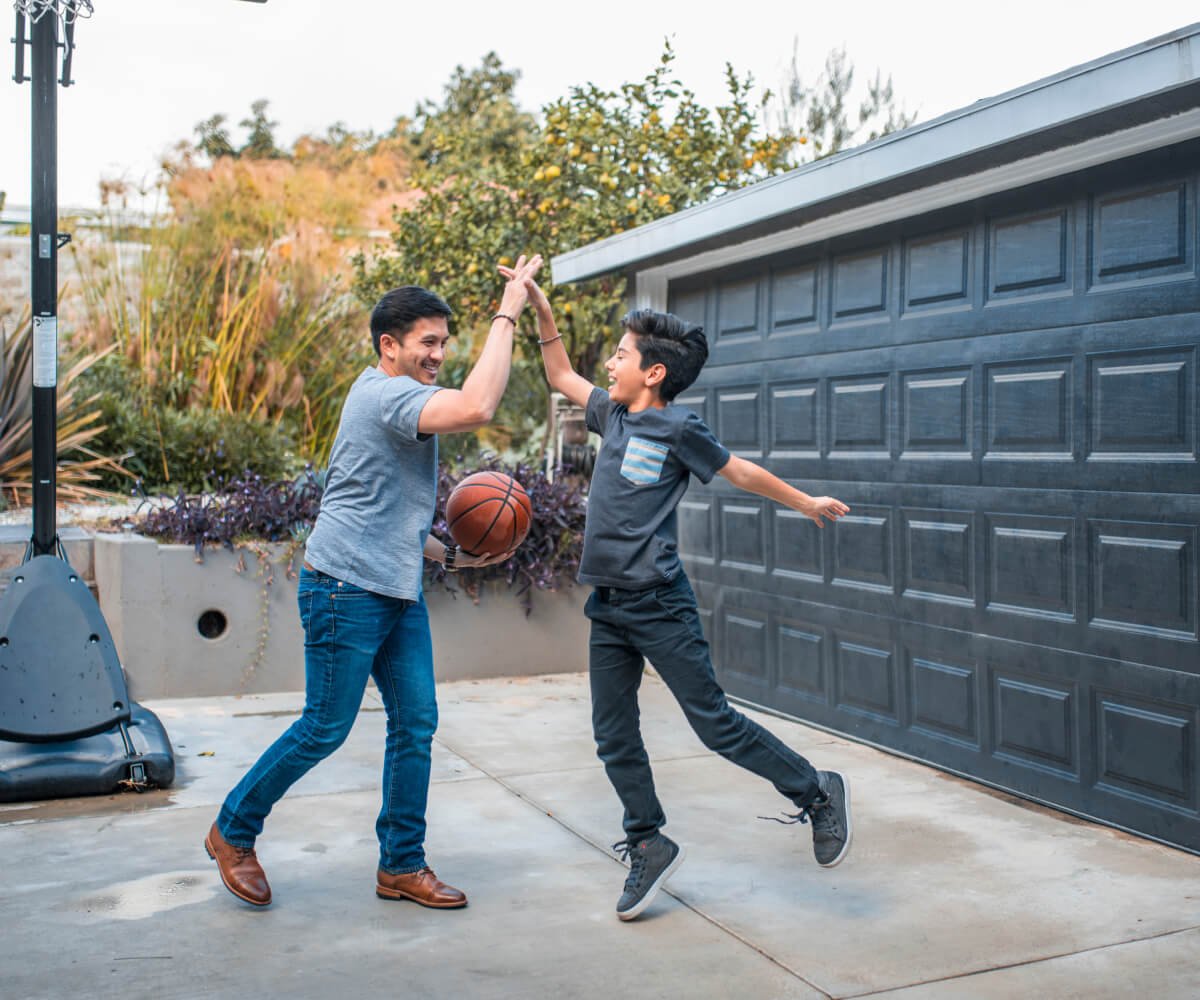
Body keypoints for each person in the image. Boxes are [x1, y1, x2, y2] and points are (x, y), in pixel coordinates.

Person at [205, 254, 544, 909]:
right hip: (344, 589)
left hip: (393, 590)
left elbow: (387, 509)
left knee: (415, 722)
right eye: (429, 342)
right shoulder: (386, 396)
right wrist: (510, 308)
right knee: (324, 727)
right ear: (389, 346)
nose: (439, 354)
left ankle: (402, 865)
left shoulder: (396, 399)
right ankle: (233, 830)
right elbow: (478, 405)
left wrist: (452, 556)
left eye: (445, 343)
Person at [517, 272, 852, 922]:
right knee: (612, 734)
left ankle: (817, 793)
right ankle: (648, 839)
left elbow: (740, 471)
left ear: (654, 372)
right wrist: (540, 307)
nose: (610, 361)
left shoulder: (679, 429)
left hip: (661, 604)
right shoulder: (609, 413)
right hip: (609, 608)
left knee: (714, 724)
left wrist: (804, 500)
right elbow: (559, 373)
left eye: (620, 353)